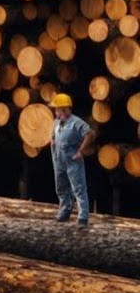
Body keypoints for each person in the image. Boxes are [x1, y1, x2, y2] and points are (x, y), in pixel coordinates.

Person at [49, 93, 96, 226]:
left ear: (68, 109)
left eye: (61, 110)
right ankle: (65, 210)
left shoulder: (76, 122)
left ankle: (83, 215)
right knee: (61, 186)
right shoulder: (56, 122)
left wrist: (81, 151)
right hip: (58, 160)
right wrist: (52, 140)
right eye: (57, 110)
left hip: (72, 160)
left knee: (78, 187)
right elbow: (53, 134)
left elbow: (90, 134)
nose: (59, 113)